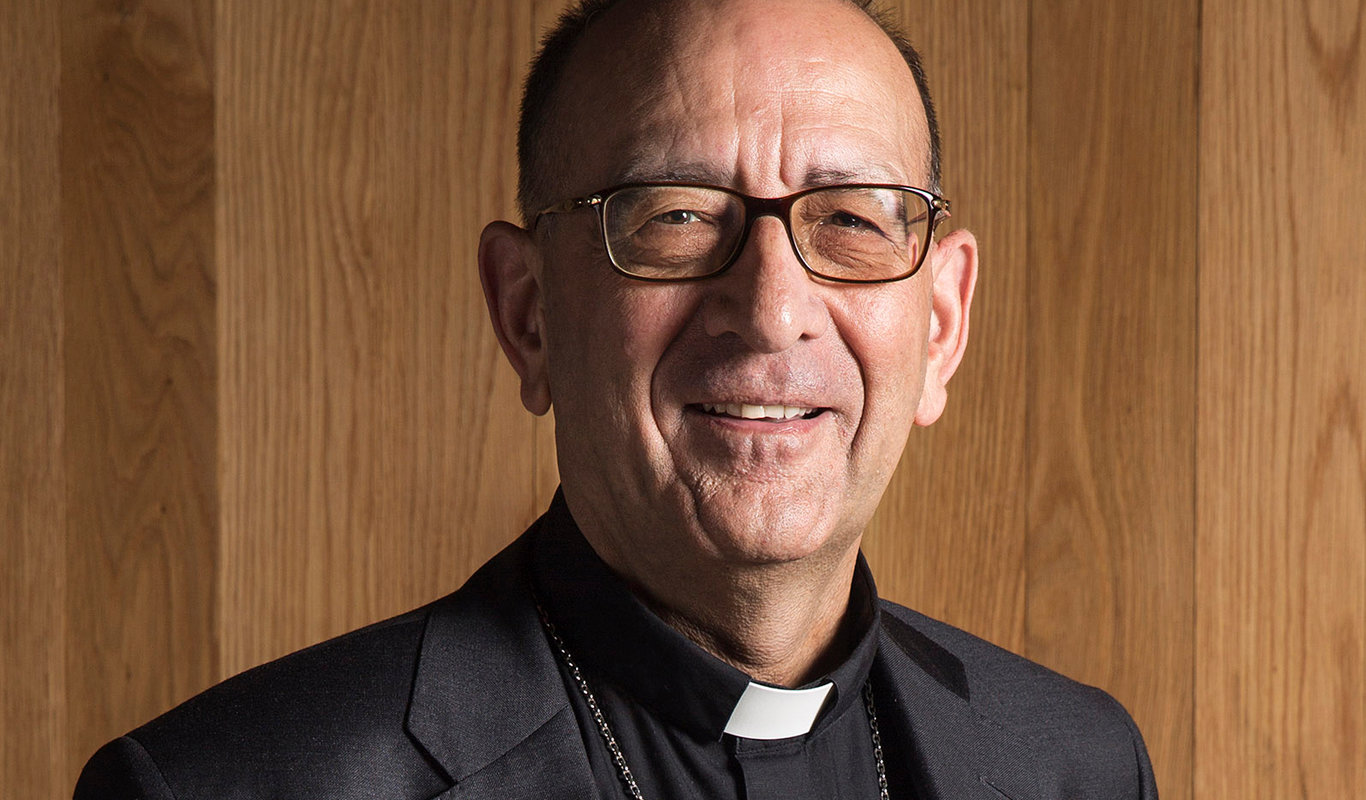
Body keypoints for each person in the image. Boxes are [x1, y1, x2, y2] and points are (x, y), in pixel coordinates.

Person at [75, 0, 1158, 797]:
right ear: (529, 314)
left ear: (940, 325)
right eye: (676, 216)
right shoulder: (222, 785)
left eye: (851, 219)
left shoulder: (1080, 767)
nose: (772, 309)